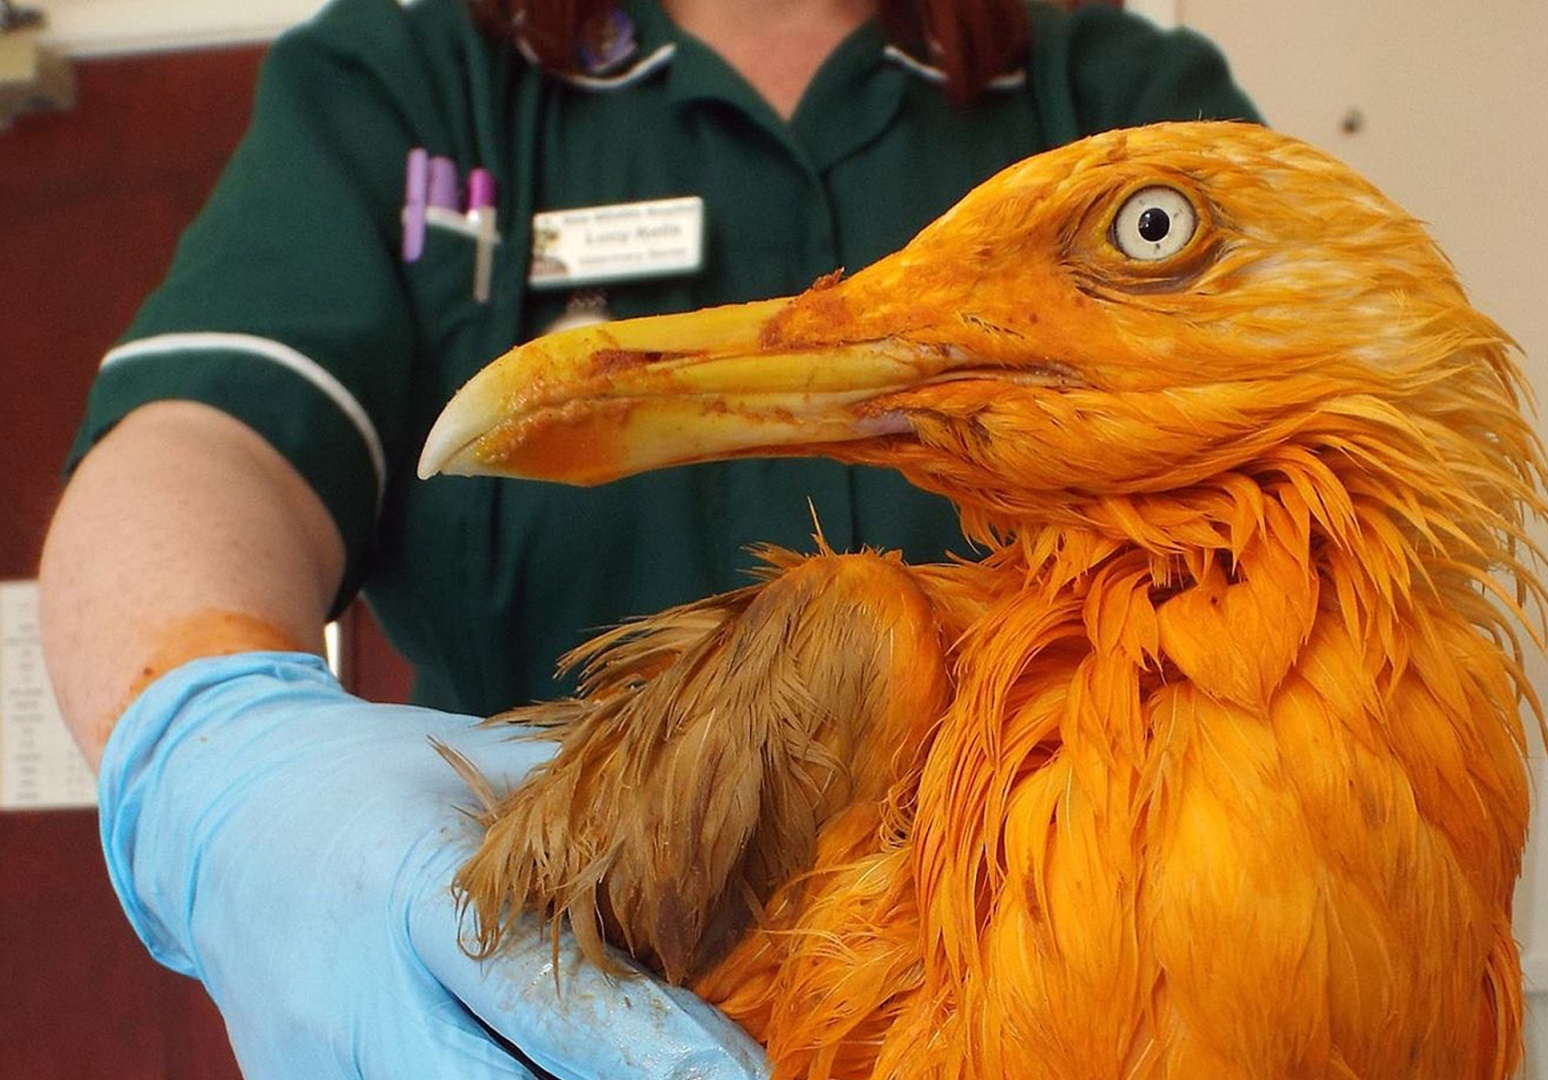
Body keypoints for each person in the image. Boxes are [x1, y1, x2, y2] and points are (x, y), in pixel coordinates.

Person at [39, 0, 1258, 1075]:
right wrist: (221, 757)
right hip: (528, 979)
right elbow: (209, 437)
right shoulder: (413, 78)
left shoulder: (1112, 87)